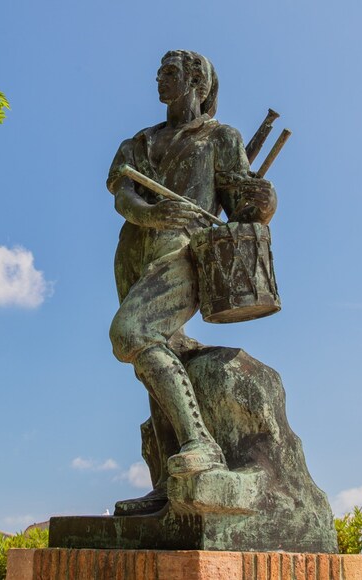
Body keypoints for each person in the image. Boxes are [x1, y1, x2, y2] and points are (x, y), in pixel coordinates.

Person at [106, 50, 275, 515]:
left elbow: (241, 205)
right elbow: (123, 195)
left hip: (183, 251)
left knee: (132, 333)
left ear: (197, 82)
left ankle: (202, 444)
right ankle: (169, 483)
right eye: (159, 71)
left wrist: (264, 201)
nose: (159, 78)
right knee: (153, 357)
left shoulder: (221, 138)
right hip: (133, 251)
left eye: (170, 72)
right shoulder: (138, 142)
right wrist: (150, 213)